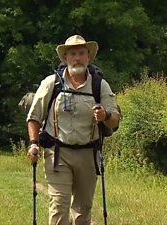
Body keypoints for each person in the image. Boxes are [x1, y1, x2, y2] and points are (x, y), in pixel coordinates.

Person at [26, 34, 120, 225]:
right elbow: (34, 117)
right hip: (58, 154)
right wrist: (34, 144)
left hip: (88, 154)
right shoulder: (52, 83)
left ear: (88, 57)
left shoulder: (99, 85)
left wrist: (105, 116)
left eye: (81, 53)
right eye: (72, 54)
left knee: (83, 209)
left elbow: (115, 120)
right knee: (59, 206)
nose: (77, 58)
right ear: (65, 58)